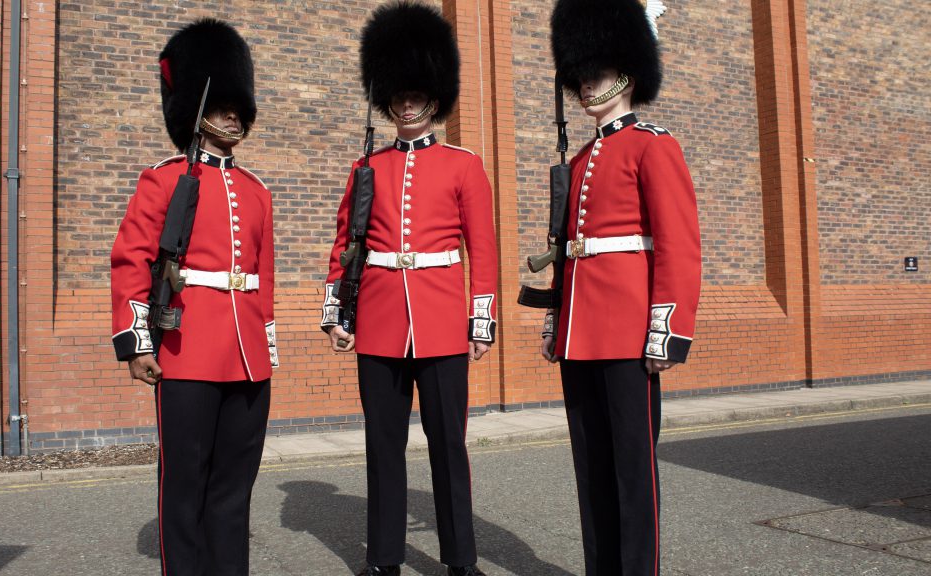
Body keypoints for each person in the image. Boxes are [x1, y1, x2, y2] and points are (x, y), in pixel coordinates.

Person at [320, 3, 497, 575]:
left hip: (443, 320)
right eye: (398, 94)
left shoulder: (463, 165)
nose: (407, 103)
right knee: (382, 449)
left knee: (449, 448)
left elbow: (483, 249)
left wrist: (482, 318)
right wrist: (337, 313)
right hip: (378, 320)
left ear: (433, 95)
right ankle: (384, 559)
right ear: (388, 97)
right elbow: (345, 244)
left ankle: (461, 560)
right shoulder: (365, 167)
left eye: (416, 93)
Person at [110, 18, 277, 576]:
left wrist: (267, 342)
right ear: (199, 109)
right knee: (184, 486)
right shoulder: (162, 180)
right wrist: (138, 342)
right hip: (186, 350)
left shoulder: (256, 191)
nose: (233, 115)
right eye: (223, 105)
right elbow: (132, 260)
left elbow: (263, 277)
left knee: (234, 487)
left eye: (239, 106)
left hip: (247, 355)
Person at [541, 1, 702, 574]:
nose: (587, 85)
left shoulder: (653, 145)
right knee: (592, 469)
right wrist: (557, 319)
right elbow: (570, 251)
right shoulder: (582, 158)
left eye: (599, 74)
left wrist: (667, 329)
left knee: (634, 472)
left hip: (630, 329)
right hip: (580, 334)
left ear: (628, 74)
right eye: (581, 76)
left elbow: (678, 245)